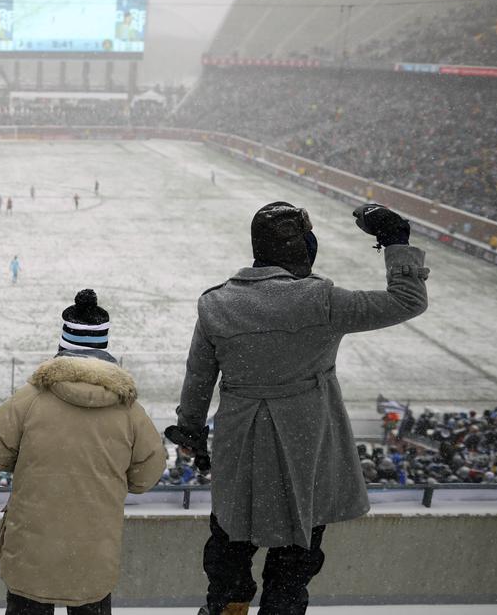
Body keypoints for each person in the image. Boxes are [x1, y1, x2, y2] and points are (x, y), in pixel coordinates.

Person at [172, 202, 429, 615]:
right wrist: (396, 242)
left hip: (239, 444)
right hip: (306, 443)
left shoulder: (216, 304)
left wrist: (192, 432)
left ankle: (227, 606)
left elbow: (199, 378)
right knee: (295, 560)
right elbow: (408, 300)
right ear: (302, 248)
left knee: (229, 551)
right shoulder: (322, 301)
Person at [0, 289, 165, 613]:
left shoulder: (30, 398)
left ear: (62, 346)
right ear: (104, 350)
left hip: (31, 554)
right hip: (93, 555)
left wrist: (27, 462)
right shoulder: (129, 411)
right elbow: (146, 475)